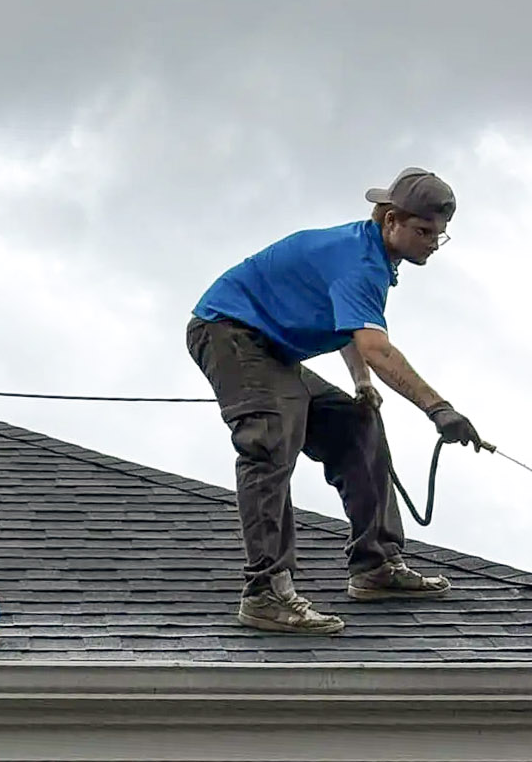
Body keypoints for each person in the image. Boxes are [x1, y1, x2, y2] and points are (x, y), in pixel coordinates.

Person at [186, 168, 482, 635]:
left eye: (438, 235)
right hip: (228, 331)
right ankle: (266, 593)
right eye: (423, 231)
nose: (431, 243)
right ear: (391, 221)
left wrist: (361, 383)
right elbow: (375, 345)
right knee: (271, 437)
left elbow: (349, 325)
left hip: (273, 349)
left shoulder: (371, 257)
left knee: (355, 424)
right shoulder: (358, 263)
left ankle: (376, 565)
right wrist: (438, 408)